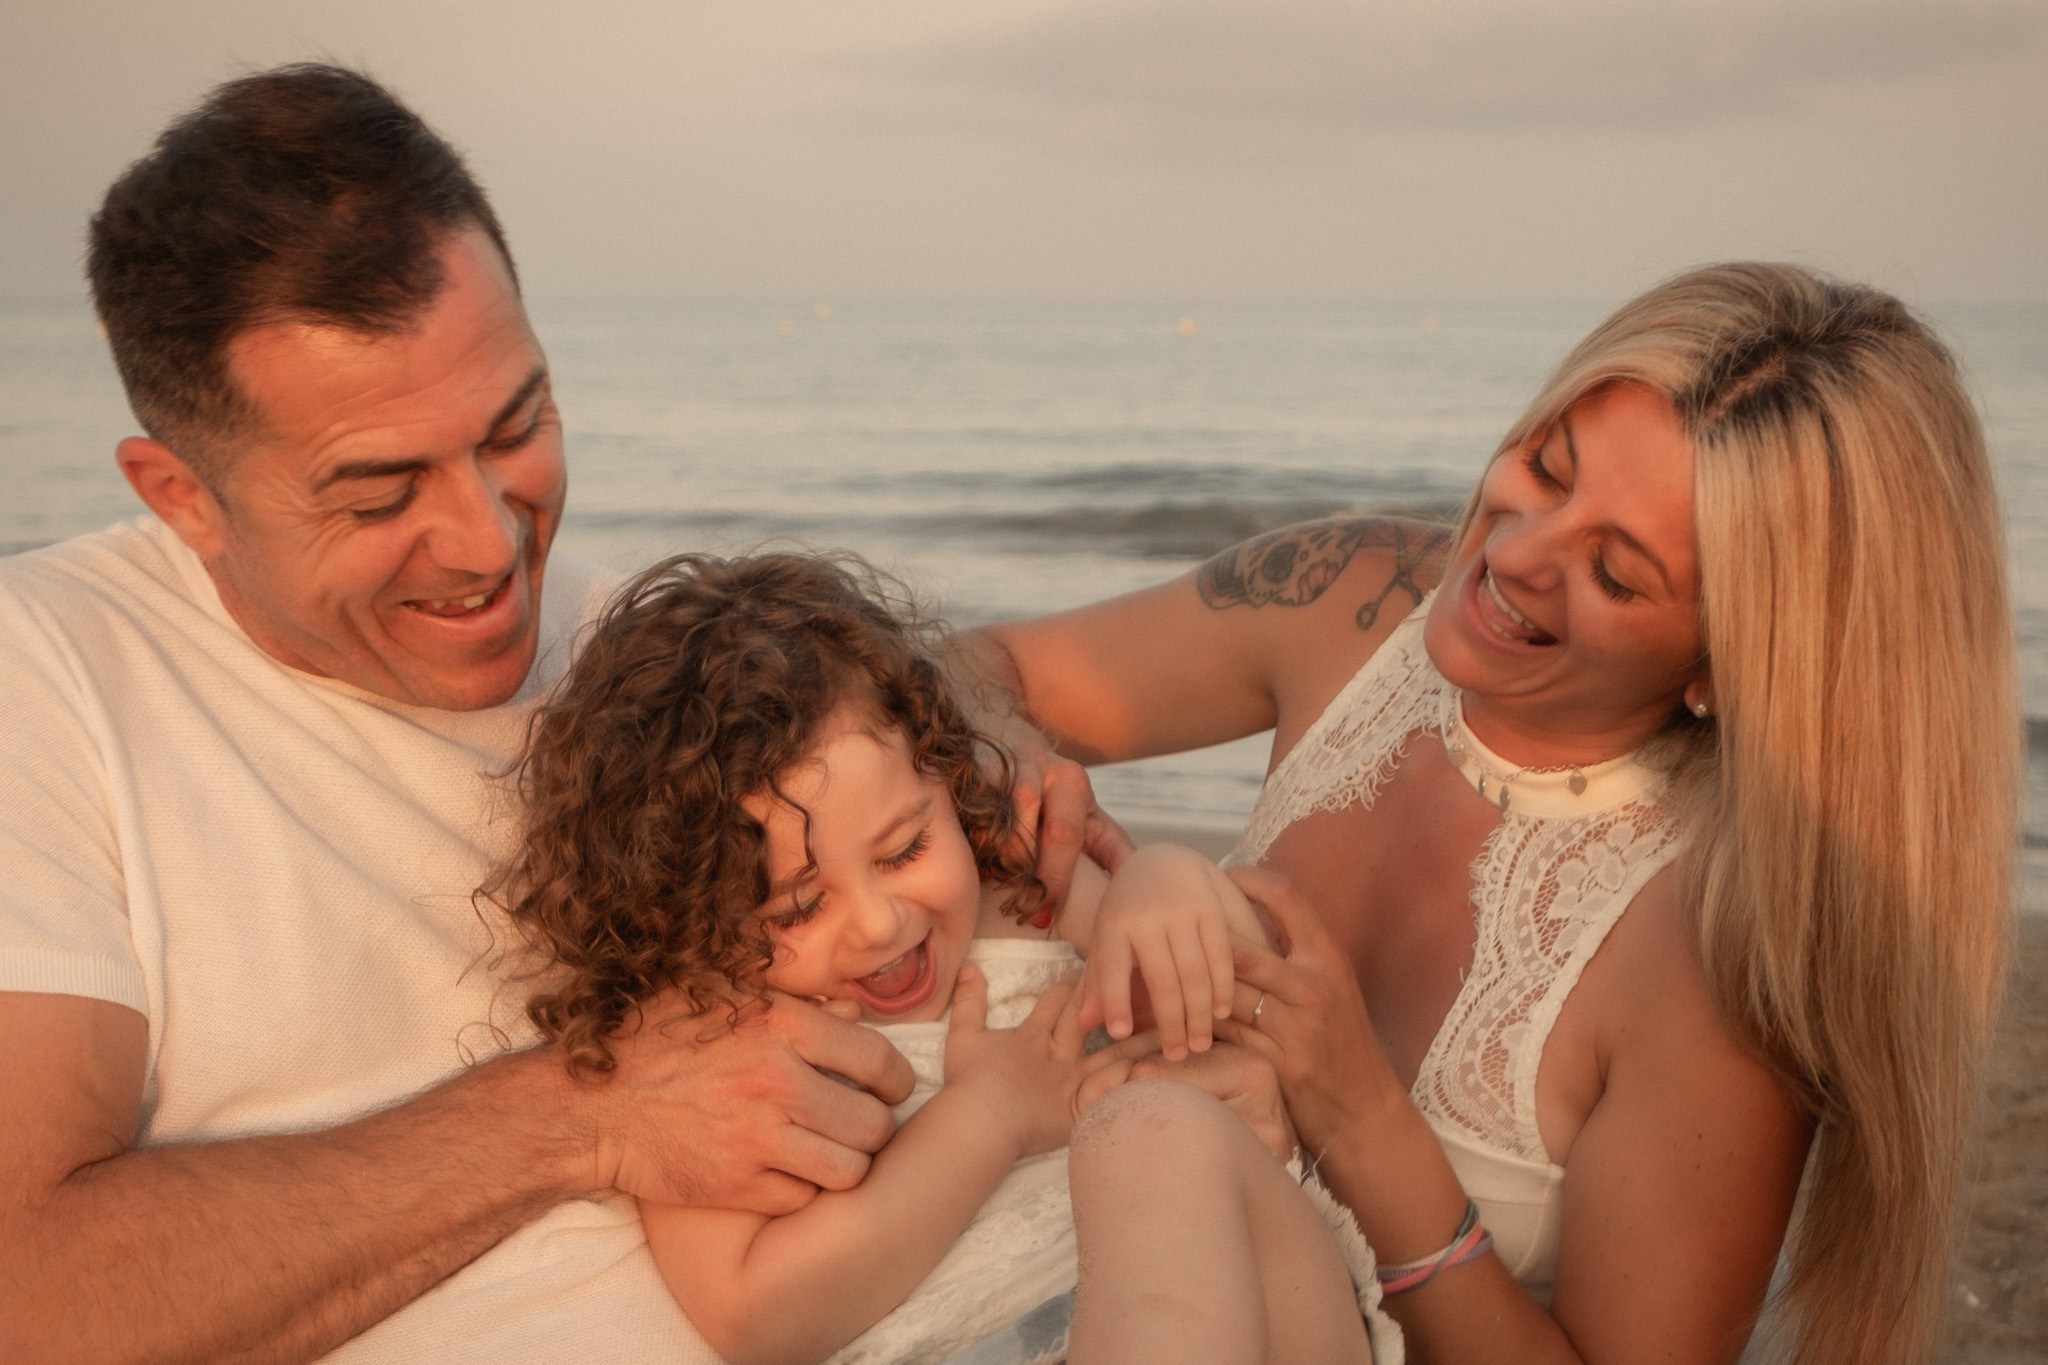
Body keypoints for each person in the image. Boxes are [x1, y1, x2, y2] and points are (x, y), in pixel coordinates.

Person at [0, 62, 1119, 1362]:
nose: (487, 548)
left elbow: (947, 691)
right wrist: (581, 1113)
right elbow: (26, 1296)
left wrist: (1008, 755)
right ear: (181, 494)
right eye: (377, 492)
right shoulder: (48, 678)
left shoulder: (632, 666)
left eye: (517, 425)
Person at [955, 263, 2017, 1365]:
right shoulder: (1352, 596)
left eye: (1612, 572)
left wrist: (1357, 1115)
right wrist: (1014, 758)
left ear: (1731, 660)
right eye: (1545, 470)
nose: (1510, 555)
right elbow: (963, 670)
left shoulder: (1710, 962)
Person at [485, 550, 1400, 1365]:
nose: (880, 922)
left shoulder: (1023, 901)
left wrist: (1166, 880)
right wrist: (992, 1115)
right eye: (799, 907)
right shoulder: (708, 1036)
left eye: (904, 849)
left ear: (948, 775)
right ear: (679, 921)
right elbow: (753, 1316)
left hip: (1249, 1307)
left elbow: (1240, 1001)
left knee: (1159, 1131)